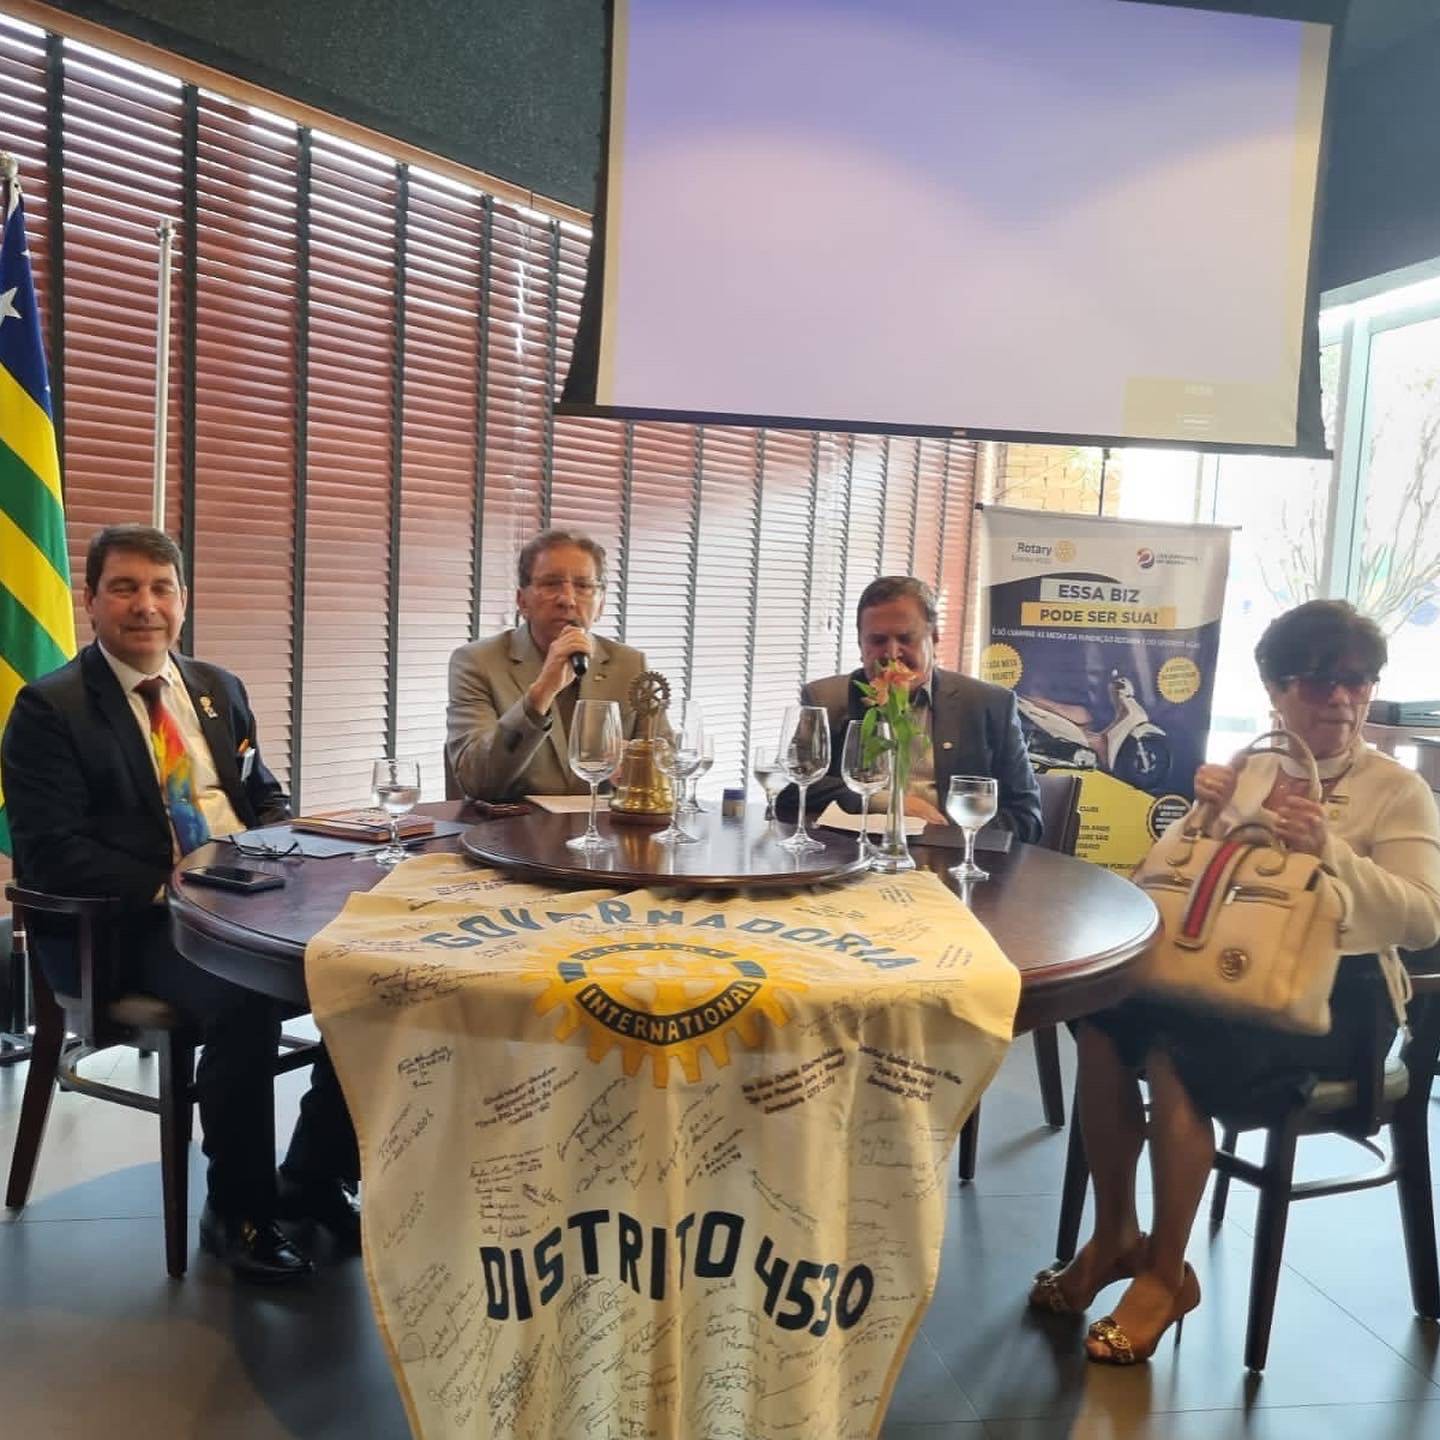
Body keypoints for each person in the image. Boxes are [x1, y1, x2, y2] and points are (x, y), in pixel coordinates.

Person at [1032, 600, 1440, 1364]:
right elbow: (1186, 881)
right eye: (1318, 681)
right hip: (1225, 970)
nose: (1342, 698)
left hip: (1339, 1002)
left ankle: (1165, 1275)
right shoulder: (1251, 767)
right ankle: (1115, 1233)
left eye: (1358, 680)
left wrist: (1332, 852)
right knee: (1102, 1023)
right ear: (1275, 690)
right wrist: (1201, 817)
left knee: (1175, 1049)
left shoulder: (1396, 790)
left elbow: (1424, 920)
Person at [2, 525, 360, 1283]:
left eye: (161, 588)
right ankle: (238, 1211)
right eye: (124, 588)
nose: (146, 605)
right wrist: (187, 883)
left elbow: (264, 797)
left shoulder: (216, 688)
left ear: (184, 601)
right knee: (246, 994)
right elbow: (52, 852)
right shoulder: (49, 709)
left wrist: (280, 852)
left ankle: (313, 1175)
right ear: (90, 600)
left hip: (248, 902)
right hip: (128, 927)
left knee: (366, 975)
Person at [778, 575, 1042, 841]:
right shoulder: (828, 700)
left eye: (906, 638)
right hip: (856, 853)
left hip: (951, 854)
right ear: (860, 645)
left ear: (934, 639)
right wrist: (889, 802)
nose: (892, 654)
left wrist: (948, 831)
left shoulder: (989, 704)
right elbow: (790, 791)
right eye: (877, 641)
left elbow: (1027, 818)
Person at [446, 528, 649, 801]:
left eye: (583, 586)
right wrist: (541, 692)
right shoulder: (477, 662)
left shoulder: (630, 665)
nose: (568, 600)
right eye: (551, 584)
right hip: (512, 825)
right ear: (522, 601)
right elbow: (476, 780)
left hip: (602, 825)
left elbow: (667, 768)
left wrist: (638, 762)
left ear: (601, 604)